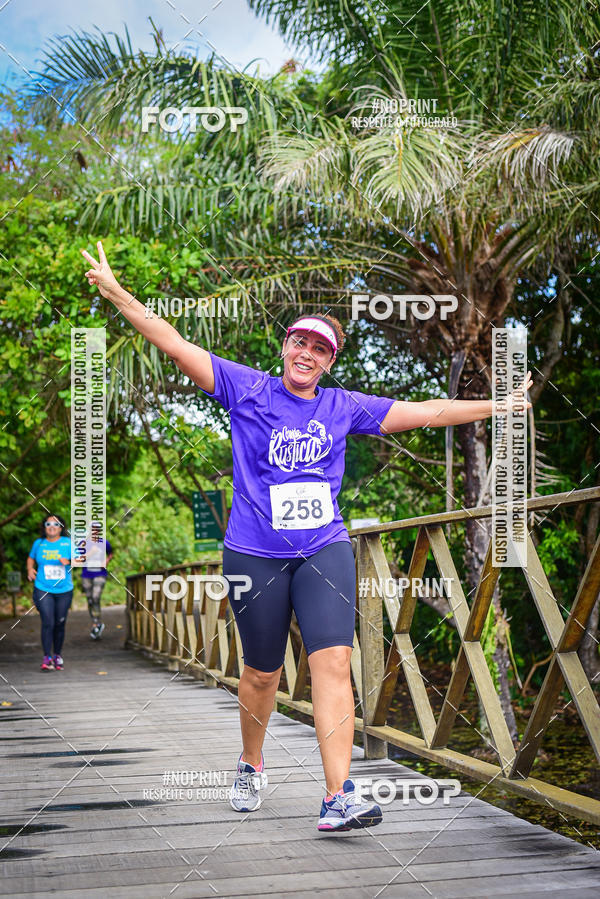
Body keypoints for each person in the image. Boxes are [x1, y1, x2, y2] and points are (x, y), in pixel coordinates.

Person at [81, 241, 532, 832]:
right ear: (287, 345)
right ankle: (250, 762)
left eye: (321, 348)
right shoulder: (247, 389)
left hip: (324, 549)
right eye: (301, 342)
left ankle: (339, 794)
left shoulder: (343, 407)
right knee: (262, 673)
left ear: (329, 361)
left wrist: (498, 408)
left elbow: (427, 411)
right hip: (254, 554)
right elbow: (171, 340)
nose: (308, 353)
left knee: (334, 661)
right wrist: (117, 294)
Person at [27, 513, 73, 671]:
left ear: (61, 528)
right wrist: (30, 569)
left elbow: (82, 558)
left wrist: (70, 561)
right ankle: (47, 657)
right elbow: (30, 558)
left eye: (56, 524)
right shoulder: (39, 543)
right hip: (43, 588)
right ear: (44, 527)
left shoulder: (68, 543)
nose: (52, 527)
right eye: (48, 524)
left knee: (60, 623)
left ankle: (57, 655)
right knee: (48, 622)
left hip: (64, 590)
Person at [81, 521, 113, 640]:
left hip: (100, 573)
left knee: (95, 597)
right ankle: (96, 623)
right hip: (86, 574)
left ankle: (96, 624)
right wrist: (90, 553)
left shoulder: (104, 542)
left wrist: (106, 561)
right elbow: (79, 559)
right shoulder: (84, 543)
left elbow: (110, 553)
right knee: (90, 600)